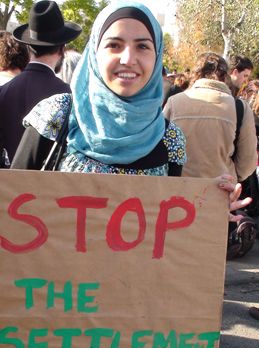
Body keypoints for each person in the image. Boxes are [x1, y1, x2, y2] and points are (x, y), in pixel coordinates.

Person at [11, 2, 250, 221]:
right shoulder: (57, 115)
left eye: (143, 46)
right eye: (114, 45)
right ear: (94, 52)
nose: (128, 58)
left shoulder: (169, 139)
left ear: (157, 57)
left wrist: (207, 210)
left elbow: (169, 226)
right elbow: (9, 203)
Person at [0, 0, 81, 164]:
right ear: (62, 48)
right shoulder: (67, 96)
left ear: (29, 46)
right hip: (47, 187)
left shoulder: (3, 91)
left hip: (6, 185)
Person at [163, 52, 257, 182]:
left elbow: (161, 148)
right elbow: (248, 160)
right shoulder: (239, 107)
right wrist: (232, 176)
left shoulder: (174, 102)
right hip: (221, 190)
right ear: (225, 76)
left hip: (179, 189)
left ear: (196, 74)